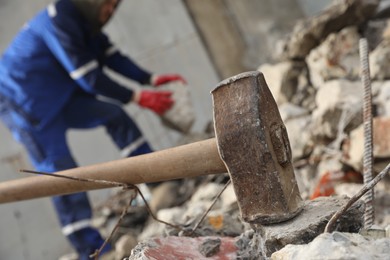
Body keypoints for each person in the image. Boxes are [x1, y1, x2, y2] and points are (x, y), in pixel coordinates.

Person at [0, 0, 186, 259]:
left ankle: (156, 181)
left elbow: (111, 56)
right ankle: (93, 250)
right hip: (25, 102)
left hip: (61, 93)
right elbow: (89, 78)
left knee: (114, 115)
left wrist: (149, 79)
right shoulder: (59, 20)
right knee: (60, 171)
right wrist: (138, 96)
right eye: (107, 4)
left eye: (114, 6)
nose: (110, 11)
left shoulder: (86, 21)